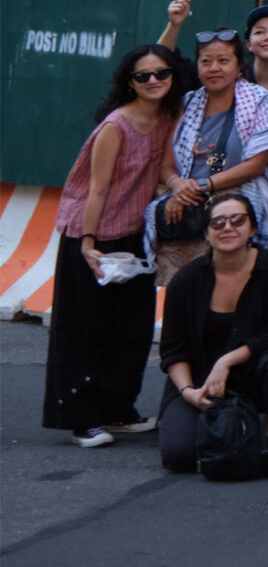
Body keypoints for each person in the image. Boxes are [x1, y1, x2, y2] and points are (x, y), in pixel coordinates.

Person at [47, 45, 182, 448]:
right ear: (129, 83)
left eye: (162, 73)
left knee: (132, 328)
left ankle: (118, 411)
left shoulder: (168, 117)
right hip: (93, 234)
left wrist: (174, 24)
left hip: (133, 233)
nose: (153, 80)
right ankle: (81, 420)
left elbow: (161, 54)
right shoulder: (115, 126)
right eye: (143, 76)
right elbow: (97, 189)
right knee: (86, 330)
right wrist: (88, 245)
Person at [158, 190, 268, 475]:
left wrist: (225, 361)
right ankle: (227, 422)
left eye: (238, 220)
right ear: (206, 234)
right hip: (199, 380)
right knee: (179, 458)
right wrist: (188, 391)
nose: (228, 228)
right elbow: (173, 348)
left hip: (255, 371)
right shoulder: (186, 280)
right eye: (218, 223)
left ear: (252, 228)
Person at [154, 30, 268, 265]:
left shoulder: (258, 101)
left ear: (239, 67)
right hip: (187, 211)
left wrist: (199, 187)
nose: (214, 68)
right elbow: (166, 166)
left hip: (235, 211)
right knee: (185, 291)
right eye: (206, 61)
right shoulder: (188, 103)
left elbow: (255, 165)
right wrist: (178, 185)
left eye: (223, 60)